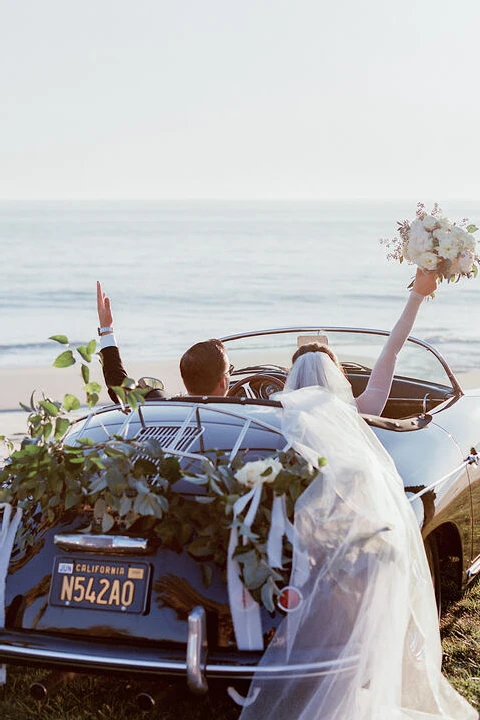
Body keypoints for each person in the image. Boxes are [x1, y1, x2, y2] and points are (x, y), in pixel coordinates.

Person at [238, 274, 477, 719]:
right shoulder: (358, 413)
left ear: (290, 378)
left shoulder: (274, 419)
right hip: (355, 546)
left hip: (294, 544)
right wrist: (417, 297)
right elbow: (393, 349)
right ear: (339, 375)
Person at [285, 267, 439, 416]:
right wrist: (417, 296)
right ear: (335, 373)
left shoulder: (273, 416)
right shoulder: (359, 412)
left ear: (293, 376)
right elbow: (391, 352)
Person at [96, 282, 233, 401]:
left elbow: (117, 383)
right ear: (222, 381)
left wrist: (106, 329)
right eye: (229, 371)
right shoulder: (244, 416)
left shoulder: (159, 403)